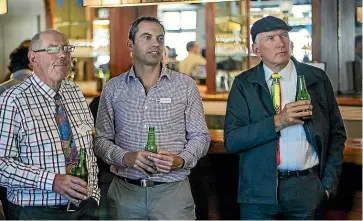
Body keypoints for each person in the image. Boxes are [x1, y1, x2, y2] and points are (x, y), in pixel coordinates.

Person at [224, 16, 346, 220]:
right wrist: (278, 122)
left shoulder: (315, 78)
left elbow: (336, 133)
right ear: (256, 49)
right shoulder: (244, 84)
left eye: (284, 35)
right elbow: (233, 140)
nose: (280, 42)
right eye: (270, 38)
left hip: (307, 188)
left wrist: (326, 185)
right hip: (257, 192)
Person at [94, 16, 210, 220]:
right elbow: (101, 140)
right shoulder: (113, 88)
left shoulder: (185, 86)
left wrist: (181, 160)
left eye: (160, 38)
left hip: (172, 194)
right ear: (131, 44)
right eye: (146, 37)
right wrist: (124, 157)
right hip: (125, 194)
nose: (155, 43)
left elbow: (200, 136)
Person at [0, 30, 100, 220]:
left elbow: (87, 145)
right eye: (53, 49)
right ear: (33, 58)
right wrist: (52, 181)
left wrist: (94, 194)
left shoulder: (74, 91)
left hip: (84, 208)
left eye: (66, 49)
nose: (62, 55)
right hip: (37, 212)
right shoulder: (13, 100)